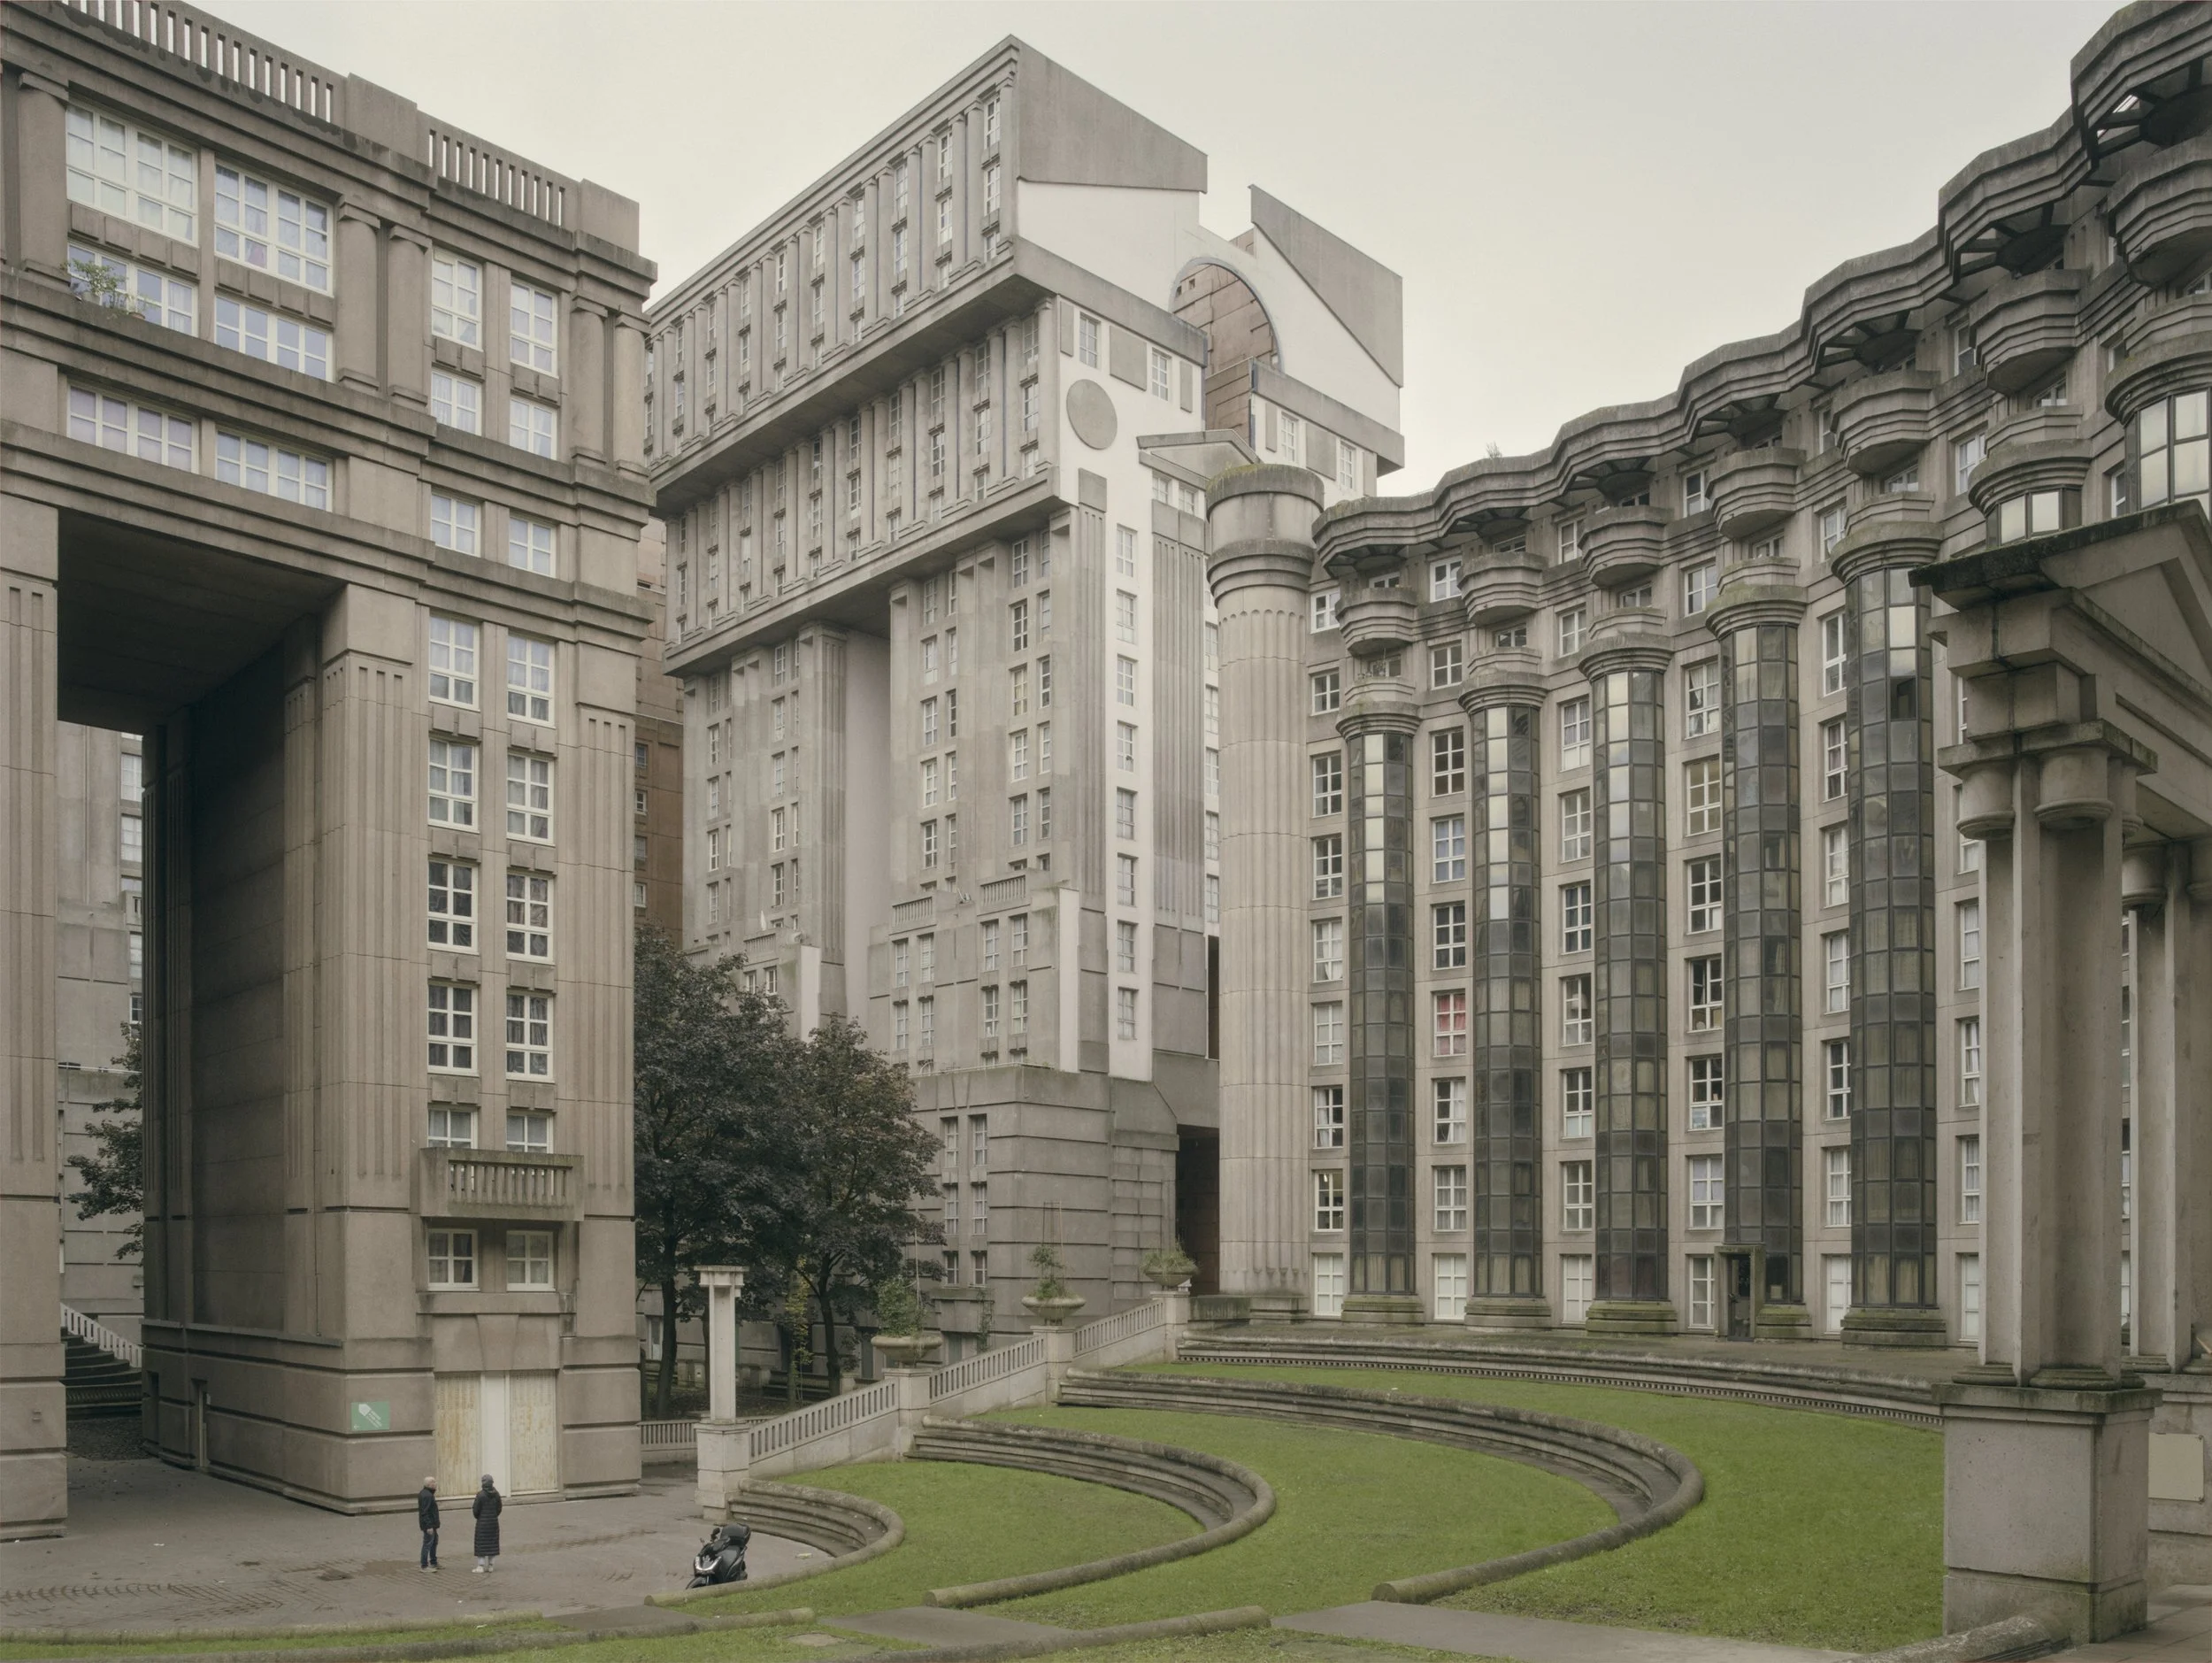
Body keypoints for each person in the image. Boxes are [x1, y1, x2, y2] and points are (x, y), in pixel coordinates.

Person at [471, 1473, 503, 1573]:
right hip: (493, 1523)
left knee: (481, 1543)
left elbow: (476, 1510)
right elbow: (499, 1508)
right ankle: (491, 1566)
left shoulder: (480, 1495)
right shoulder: (496, 1494)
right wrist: (494, 1516)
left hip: (482, 1524)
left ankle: (480, 1566)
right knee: (492, 1543)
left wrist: (479, 1517)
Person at [417, 1476, 441, 1572]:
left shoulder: (427, 1494)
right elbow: (424, 1512)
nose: (435, 1484)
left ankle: (434, 1562)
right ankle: (424, 1565)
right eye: (433, 1482)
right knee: (427, 1544)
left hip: (432, 1524)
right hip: (429, 1525)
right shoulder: (427, 1495)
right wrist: (429, 1526)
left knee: (434, 1542)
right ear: (429, 1484)